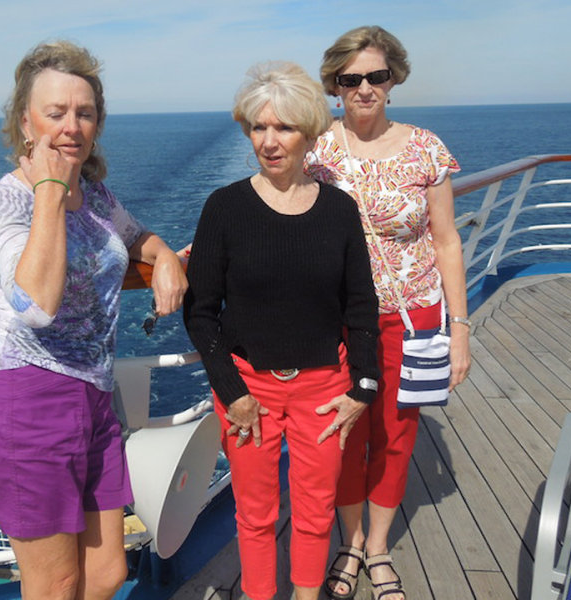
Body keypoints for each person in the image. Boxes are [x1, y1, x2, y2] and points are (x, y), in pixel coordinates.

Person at [0, 40, 188, 600]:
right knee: (56, 584)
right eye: (55, 112)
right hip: (27, 394)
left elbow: (136, 235)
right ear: (25, 122)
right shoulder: (9, 201)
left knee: (108, 572)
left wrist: (162, 259)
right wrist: (48, 189)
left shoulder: (93, 195)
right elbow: (36, 304)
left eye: (84, 113)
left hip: (93, 395)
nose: (71, 126)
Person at [183, 62, 380, 600]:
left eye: (285, 128)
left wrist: (363, 387)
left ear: (310, 134)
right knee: (255, 513)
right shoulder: (224, 208)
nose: (269, 142)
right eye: (258, 127)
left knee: (315, 511)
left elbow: (361, 304)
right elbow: (201, 310)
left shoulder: (339, 211)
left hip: (323, 387)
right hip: (249, 388)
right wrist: (233, 392)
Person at [304, 25, 472, 600]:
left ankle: (376, 548)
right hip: (338, 318)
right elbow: (277, 212)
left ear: (393, 79)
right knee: (346, 433)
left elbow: (447, 241)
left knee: (397, 436)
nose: (365, 88)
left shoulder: (426, 148)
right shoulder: (316, 148)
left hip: (413, 314)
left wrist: (460, 330)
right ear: (335, 85)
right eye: (351, 79)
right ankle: (349, 543)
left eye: (376, 76)